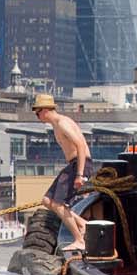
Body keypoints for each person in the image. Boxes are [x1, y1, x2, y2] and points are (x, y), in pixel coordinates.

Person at [32, 94, 91, 254]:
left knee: (58, 204)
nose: (37, 117)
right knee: (47, 200)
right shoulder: (57, 124)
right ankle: (82, 224)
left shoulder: (62, 123)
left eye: (37, 113)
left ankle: (80, 240)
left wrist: (79, 174)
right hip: (73, 165)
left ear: (44, 110)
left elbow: (80, 145)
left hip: (78, 164)